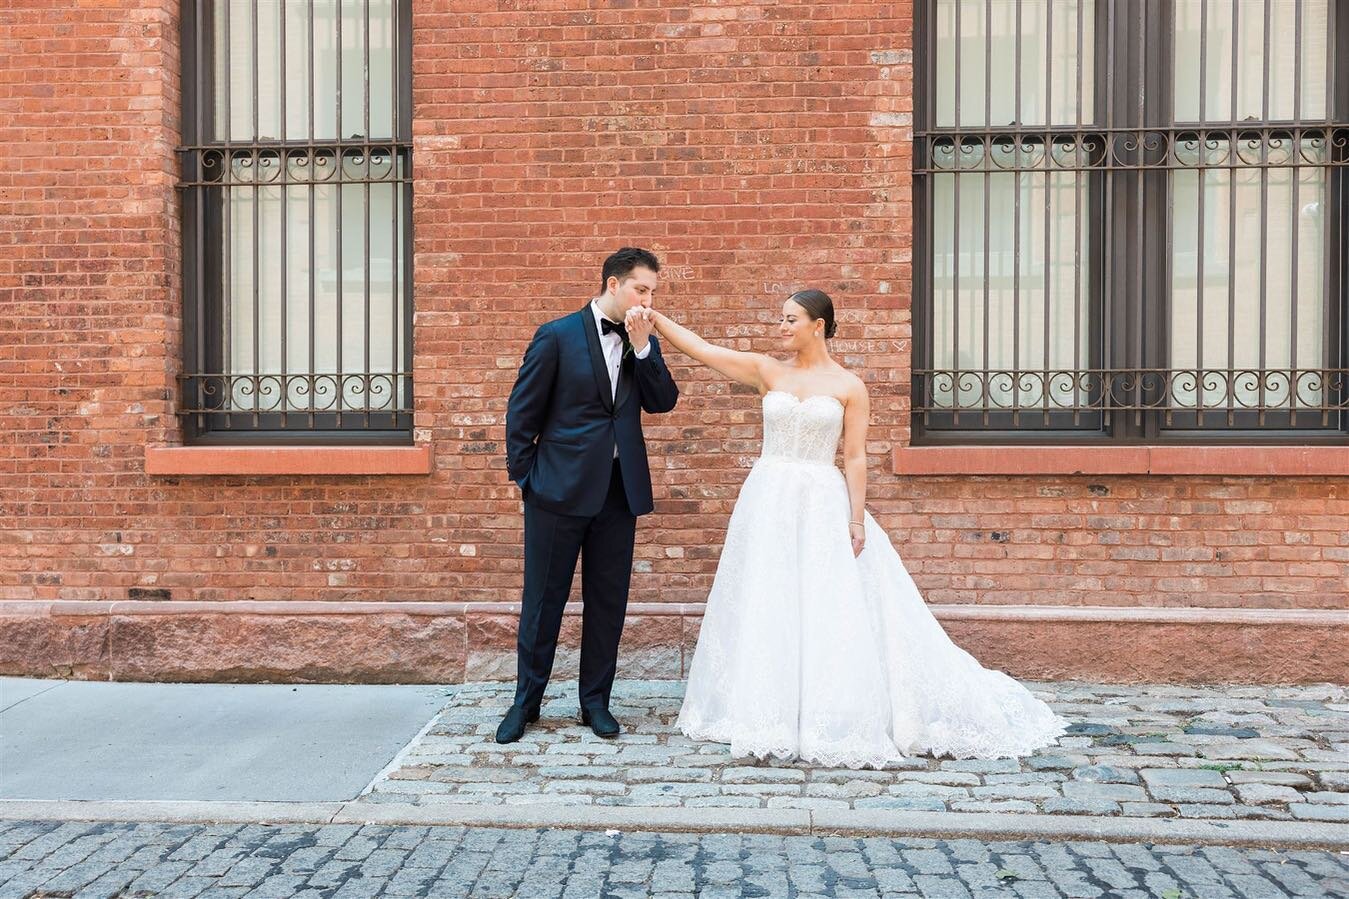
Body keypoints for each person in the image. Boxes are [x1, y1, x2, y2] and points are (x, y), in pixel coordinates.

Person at [647, 290, 1065, 766]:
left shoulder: (849, 386)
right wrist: (657, 319)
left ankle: (835, 711)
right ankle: (768, 711)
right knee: (771, 596)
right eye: (781, 320)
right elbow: (703, 350)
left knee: (829, 601)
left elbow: (854, 456)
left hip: (822, 499)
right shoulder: (768, 371)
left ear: (818, 325)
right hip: (768, 498)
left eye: (791, 320)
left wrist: (856, 518)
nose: (782, 328)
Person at [497, 248, 680, 744]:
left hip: (619, 495)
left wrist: (644, 351)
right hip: (555, 492)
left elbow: (663, 402)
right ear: (613, 283)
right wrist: (528, 480)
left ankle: (595, 703)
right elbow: (522, 415)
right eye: (642, 289)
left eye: (653, 292)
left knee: (608, 603)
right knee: (543, 603)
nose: (648, 300)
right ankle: (526, 703)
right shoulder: (556, 336)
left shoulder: (642, 340)